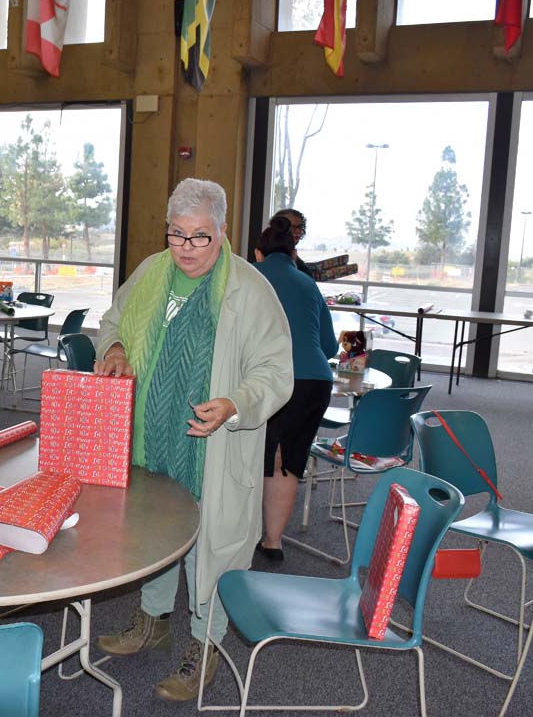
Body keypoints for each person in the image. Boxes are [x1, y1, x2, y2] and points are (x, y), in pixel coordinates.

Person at [93, 178, 293, 702]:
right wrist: (113, 348)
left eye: (199, 237)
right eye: (176, 235)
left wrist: (234, 405)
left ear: (222, 231)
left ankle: (204, 644)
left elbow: (275, 371)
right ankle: (152, 620)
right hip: (149, 438)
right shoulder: (152, 272)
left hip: (213, 445)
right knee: (154, 535)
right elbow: (111, 320)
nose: (185, 248)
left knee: (213, 545)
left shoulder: (248, 289)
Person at [253, 215, 338, 562]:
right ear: (292, 254)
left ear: (259, 253)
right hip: (315, 382)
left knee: (253, 459)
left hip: (270, 379)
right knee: (289, 460)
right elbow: (330, 347)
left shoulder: (250, 277)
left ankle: (237, 535)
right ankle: (273, 542)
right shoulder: (307, 283)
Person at [270, 208, 312, 276]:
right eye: (292, 227)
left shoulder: (300, 264)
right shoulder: (266, 256)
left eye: (300, 227)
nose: (298, 231)